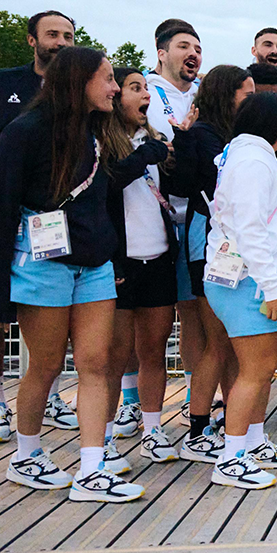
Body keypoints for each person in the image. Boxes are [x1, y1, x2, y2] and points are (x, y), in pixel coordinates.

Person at [0, 47, 144, 503]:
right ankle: (26, 455)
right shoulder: (25, 131)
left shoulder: (97, 132)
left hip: (95, 266)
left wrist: (116, 257)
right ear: (78, 82)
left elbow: (106, 198)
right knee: (48, 364)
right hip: (42, 264)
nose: (115, 88)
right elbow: (1, 211)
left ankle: (92, 469)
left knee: (97, 364)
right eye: (109, 79)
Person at [0, 10, 81, 443]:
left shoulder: (80, 93)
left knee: (55, 313)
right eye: (52, 34)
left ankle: (51, 398)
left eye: (68, 35)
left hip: (54, 224)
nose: (61, 42)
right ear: (31, 40)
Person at [203, 92, 277, 489]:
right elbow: (250, 229)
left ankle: (254, 441)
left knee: (263, 367)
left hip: (249, 277)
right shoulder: (252, 160)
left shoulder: (254, 153)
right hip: (248, 280)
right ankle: (230, 458)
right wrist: (274, 288)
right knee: (256, 370)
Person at [171, 66, 254, 462]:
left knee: (232, 344)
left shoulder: (235, 137)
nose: (250, 99)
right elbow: (186, 182)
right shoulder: (203, 134)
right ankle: (198, 430)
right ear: (226, 94)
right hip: (209, 243)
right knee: (216, 341)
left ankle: (233, 423)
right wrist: (183, 139)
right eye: (245, 91)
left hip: (232, 247)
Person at [100, 68, 181, 471]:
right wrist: (142, 157)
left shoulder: (155, 141)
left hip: (160, 258)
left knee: (154, 350)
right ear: (115, 96)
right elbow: (105, 186)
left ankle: (153, 429)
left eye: (146, 88)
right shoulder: (101, 142)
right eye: (135, 88)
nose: (145, 95)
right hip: (120, 262)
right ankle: (107, 438)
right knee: (114, 356)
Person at [145, 21, 204, 421]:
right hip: (152, 222)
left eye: (198, 48)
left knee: (193, 312)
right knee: (149, 320)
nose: (193, 54)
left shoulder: (204, 95)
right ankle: (134, 404)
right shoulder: (145, 91)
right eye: (184, 46)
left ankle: (195, 396)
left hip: (196, 219)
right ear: (162, 52)